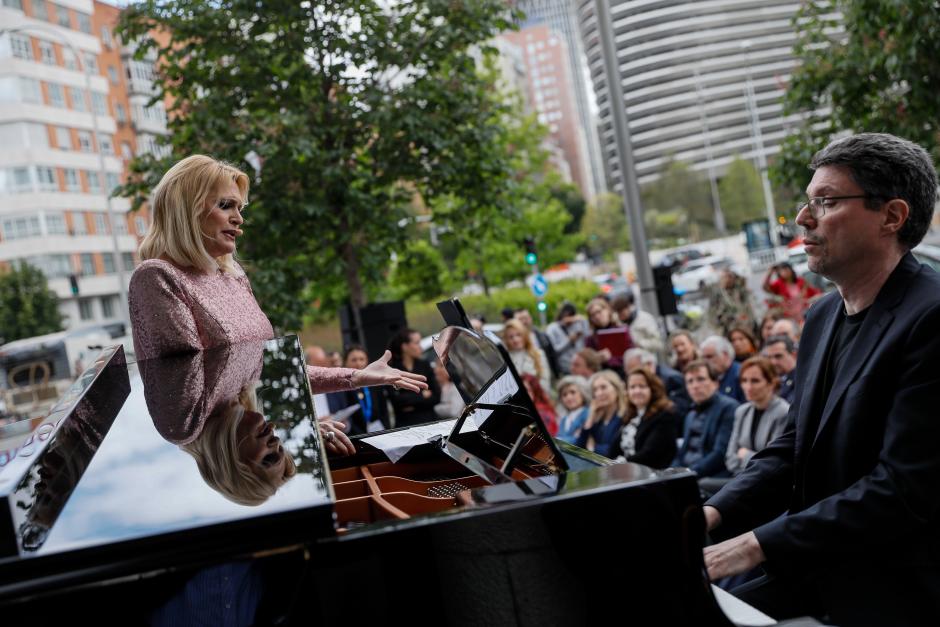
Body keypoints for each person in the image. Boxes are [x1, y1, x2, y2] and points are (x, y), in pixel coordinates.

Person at [703, 133, 940, 625]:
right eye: (807, 202)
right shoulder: (822, 315)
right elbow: (795, 447)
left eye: (826, 202)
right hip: (820, 569)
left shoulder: (932, 316)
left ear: (892, 217)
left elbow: (903, 489)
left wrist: (753, 545)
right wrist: (711, 514)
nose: (803, 220)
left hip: (902, 585)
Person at [127, 155, 426, 452]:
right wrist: (289, 429)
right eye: (225, 205)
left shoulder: (232, 274)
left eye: (240, 208)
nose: (239, 219)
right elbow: (185, 414)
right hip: (226, 459)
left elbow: (262, 371)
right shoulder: (156, 277)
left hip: (252, 438)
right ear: (186, 209)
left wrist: (355, 378)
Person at [724, 357, 789, 476]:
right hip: (740, 478)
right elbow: (730, 459)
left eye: (755, 381)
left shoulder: (783, 412)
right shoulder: (742, 411)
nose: (748, 387)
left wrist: (745, 455)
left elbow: (772, 462)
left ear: (771, 383)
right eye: (744, 380)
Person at [673, 360, 738, 479]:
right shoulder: (690, 414)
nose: (695, 386)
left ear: (715, 383)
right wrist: (670, 472)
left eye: (701, 379)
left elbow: (720, 454)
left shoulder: (729, 408)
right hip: (688, 474)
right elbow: (682, 453)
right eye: (690, 381)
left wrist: (688, 473)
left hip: (711, 476)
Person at [610, 366, 678, 469]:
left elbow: (649, 455)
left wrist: (619, 465)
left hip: (653, 476)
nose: (637, 391)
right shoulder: (630, 416)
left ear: (653, 389)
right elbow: (613, 450)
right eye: (632, 387)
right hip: (626, 472)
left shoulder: (665, 415)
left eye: (642, 386)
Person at [327, 345, 391, 435]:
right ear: (345, 362)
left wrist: (387, 431)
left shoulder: (376, 383)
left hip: (379, 433)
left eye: (362, 359)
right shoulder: (342, 387)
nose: (358, 363)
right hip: (355, 437)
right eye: (354, 360)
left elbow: (384, 412)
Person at [386, 328, 440, 427]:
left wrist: (409, 402)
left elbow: (437, 396)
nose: (421, 347)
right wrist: (422, 395)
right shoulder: (393, 370)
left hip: (430, 422)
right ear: (405, 347)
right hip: (405, 425)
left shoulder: (425, 365)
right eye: (417, 343)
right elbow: (396, 401)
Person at [623, 347, 691, 426]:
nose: (632, 376)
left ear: (649, 364)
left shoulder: (671, 378)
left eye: (636, 370)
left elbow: (679, 410)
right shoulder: (631, 412)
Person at [576, 370, 627, 459]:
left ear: (616, 388)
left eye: (603, 387)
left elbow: (613, 450)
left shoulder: (625, 415)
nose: (599, 393)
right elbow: (579, 448)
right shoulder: (598, 420)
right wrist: (591, 416)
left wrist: (592, 449)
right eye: (595, 390)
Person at [503, 319, 552, 395]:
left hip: (537, 399)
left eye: (518, 335)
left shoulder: (538, 354)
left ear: (524, 335)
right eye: (511, 337)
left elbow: (545, 382)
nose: (515, 339)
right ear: (506, 339)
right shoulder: (505, 359)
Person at [584, 297, 633, 374]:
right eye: (593, 315)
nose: (597, 317)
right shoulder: (590, 338)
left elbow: (631, 354)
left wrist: (611, 359)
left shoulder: (622, 330)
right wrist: (596, 358)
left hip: (623, 372)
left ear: (607, 310)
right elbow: (588, 363)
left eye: (599, 312)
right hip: (603, 374)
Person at [707, 268, 756, 336]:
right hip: (727, 327)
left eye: (730, 277)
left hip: (744, 325)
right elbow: (713, 314)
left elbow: (747, 306)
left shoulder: (739, 290)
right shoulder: (717, 293)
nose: (728, 280)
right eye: (725, 277)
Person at [545, 302, 591, 375]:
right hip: (564, 369)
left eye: (571, 315)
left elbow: (588, 339)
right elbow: (553, 351)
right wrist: (569, 340)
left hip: (581, 367)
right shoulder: (552, 328)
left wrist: (583, 320)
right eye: (566, 315)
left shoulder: (576, 325)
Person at [515, 308, 560, 380]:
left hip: (545, 375)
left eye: (526, 318)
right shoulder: (513, 342)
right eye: (520, 319)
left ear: (530, 318)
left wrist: (557, 375)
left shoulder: (542, 335)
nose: (524, 321)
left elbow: (552, 356)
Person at [699, 335, 745, 403]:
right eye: (703, 358)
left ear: (725, 355)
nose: (705, 362)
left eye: (709, 357)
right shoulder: (710, 377)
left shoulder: (741, 374)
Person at [761, 334, 798, 404]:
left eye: (778, 356)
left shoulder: (802, 380)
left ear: (794, 355)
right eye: (768, 357)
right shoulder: (766, 379)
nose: (773, 362)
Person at [554, 375, 590, 445]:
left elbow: (579, 440)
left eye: (573, 392)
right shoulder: (564, 419)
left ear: (583, 394)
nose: (569, 397)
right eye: (564, 395)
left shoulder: (588, 414)